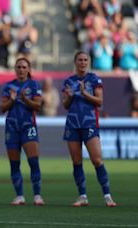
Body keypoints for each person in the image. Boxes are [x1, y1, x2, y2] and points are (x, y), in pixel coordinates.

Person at [62, 51, 116, 207]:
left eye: (85, 60)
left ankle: (107, 196)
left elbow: (99, 101)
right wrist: (71, 96)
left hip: (90, 123)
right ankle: (82, 196)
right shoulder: (68, 81)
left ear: (89, 62)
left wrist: (85, 93)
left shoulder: (94, 79)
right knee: (76, 161)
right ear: (75, 62)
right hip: (73, 124)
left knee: (97, 159)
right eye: (80, 60)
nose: (83, 62)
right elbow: (65, 105)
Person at [0, 57, 45, 206]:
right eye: (18, 67)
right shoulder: (9, 86)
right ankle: (19, 196)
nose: (21, 70)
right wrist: (12, 100)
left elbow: (38, 106)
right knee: (14, 163)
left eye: (24, 67)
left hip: (28, 126)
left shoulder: (34, 85)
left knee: (33, 161)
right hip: (12, 127)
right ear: (15, 69)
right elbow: (2, 108)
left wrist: (25, 98)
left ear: (29, 69)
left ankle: (37, 195)